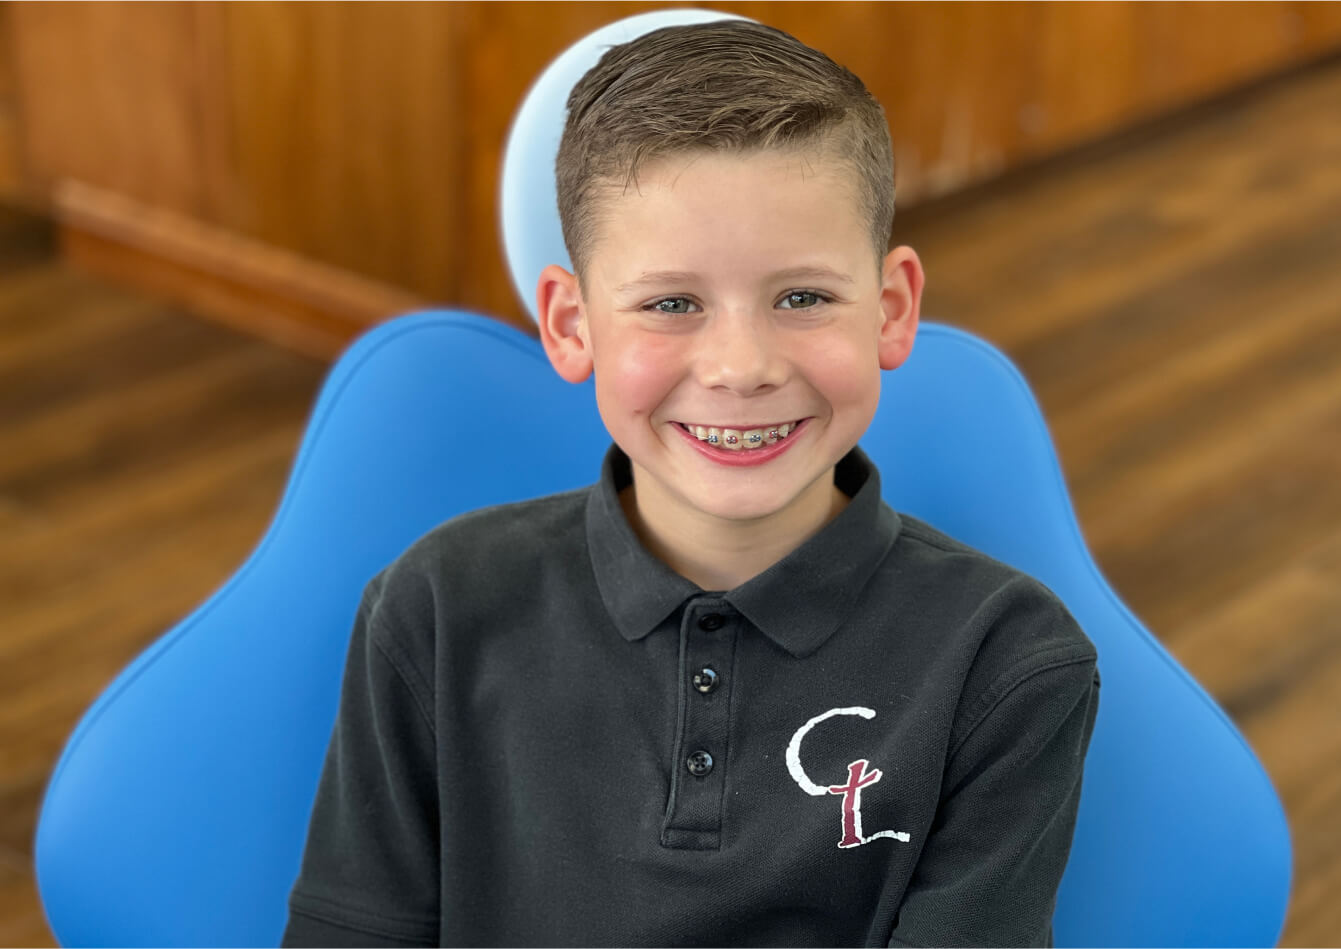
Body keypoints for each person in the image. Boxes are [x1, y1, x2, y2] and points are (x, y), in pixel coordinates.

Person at [281, 18, 1100, 948]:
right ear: (571, 323)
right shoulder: (432, 610)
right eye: (672, 304)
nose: (741, 366)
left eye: (802, 297)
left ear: (893, 308)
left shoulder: (1007, 661)